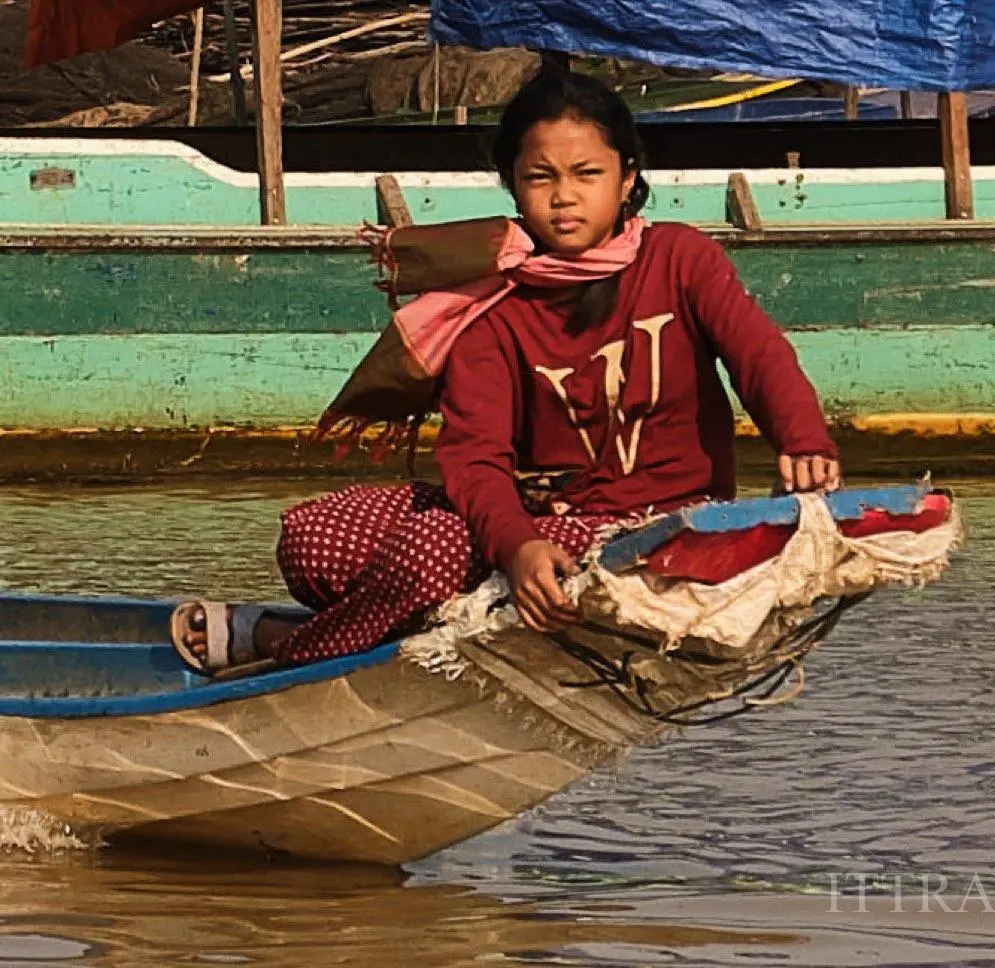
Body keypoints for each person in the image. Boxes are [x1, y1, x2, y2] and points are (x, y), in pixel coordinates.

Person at [174, 69, 841, 672]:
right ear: (514, 185)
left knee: (427, 553)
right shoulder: (491, 299)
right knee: (311, 540)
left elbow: (758, 354)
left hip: (652, 524)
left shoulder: (679, 260)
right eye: (540, 177)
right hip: (537, 516)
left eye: (586, 174)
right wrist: (517, 547)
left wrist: (802, 439)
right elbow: (475, 454)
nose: (564, 199)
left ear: (628, 178)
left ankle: (282, 648)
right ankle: (380, 621)